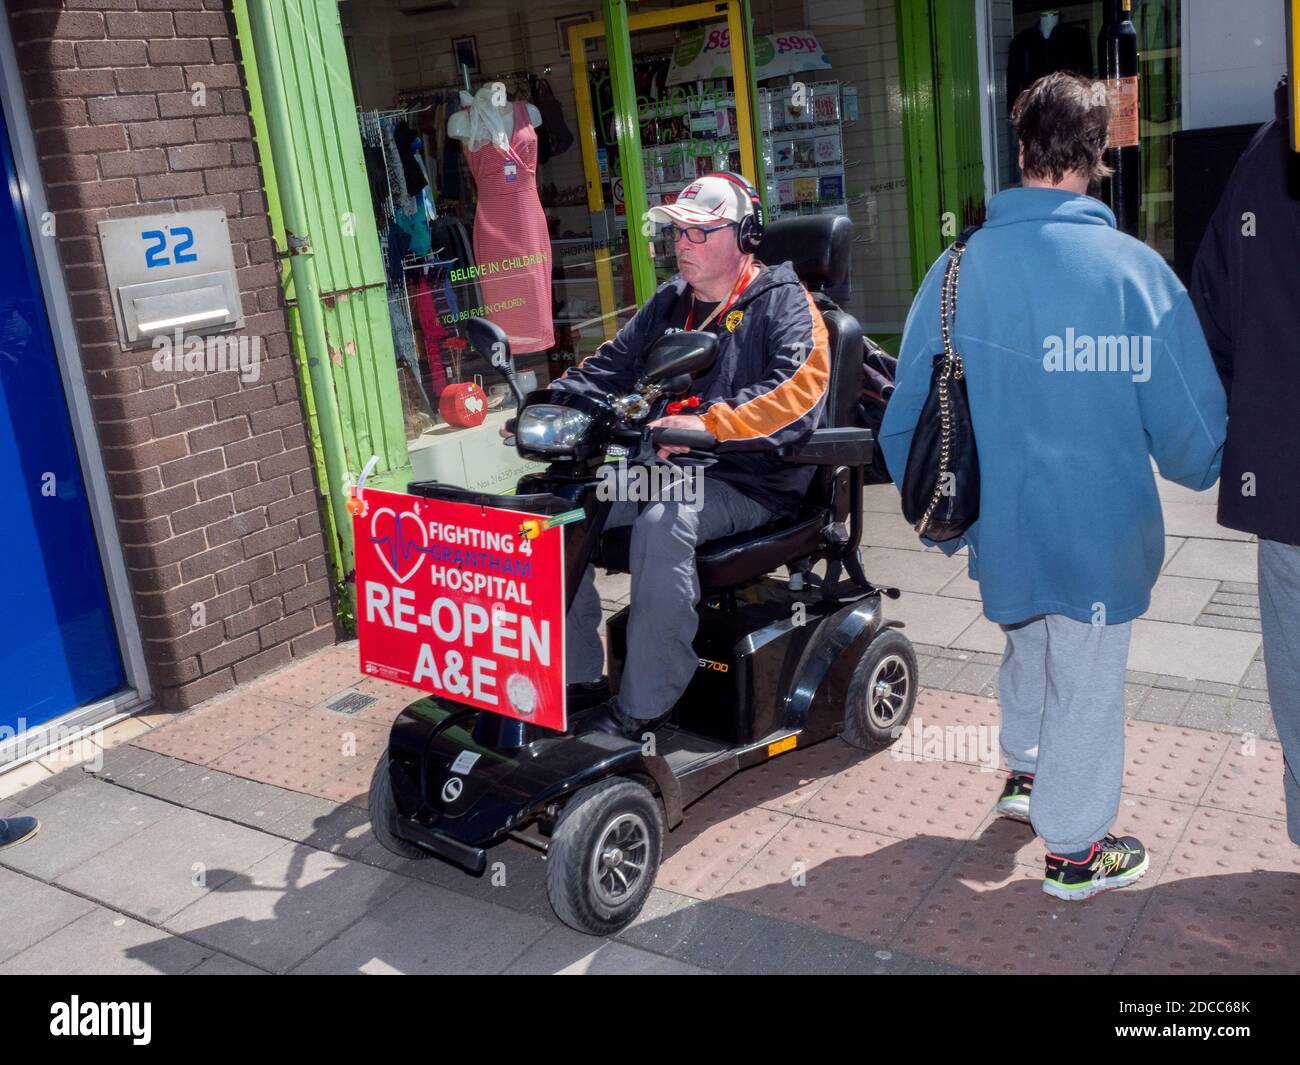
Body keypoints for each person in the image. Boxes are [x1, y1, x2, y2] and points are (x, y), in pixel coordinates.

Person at [879, 72, 1226, 900]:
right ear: (1095, 157)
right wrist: (1208, 462)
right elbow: (1196, 437)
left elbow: (902, 423)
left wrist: (950, 527)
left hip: (1003, 530)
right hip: (1100, 537)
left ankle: (1026, 773)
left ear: (1023, 148)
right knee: (1088, 675)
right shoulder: (1135, 274)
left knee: (1026, 636)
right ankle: (1074, 850)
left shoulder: (955, 269)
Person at [535, 173, 831, 738]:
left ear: (746, 236)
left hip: (750, 482)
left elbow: (796, 397)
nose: (683, 246)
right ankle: (574, 686)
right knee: (556, 512)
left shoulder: (787, 304)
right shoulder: (671, 303)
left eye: (700, 233)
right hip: (662, 472)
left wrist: (708, 423)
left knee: (662, 521)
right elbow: (608, 367)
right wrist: (550, 406)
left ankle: (645, 706)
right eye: (678, 233)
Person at [1191, 79, 1300, 846]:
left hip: (1283, 479)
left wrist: (1255, 413)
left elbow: (1210, 317)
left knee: (1295, 664)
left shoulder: (1257, 163)